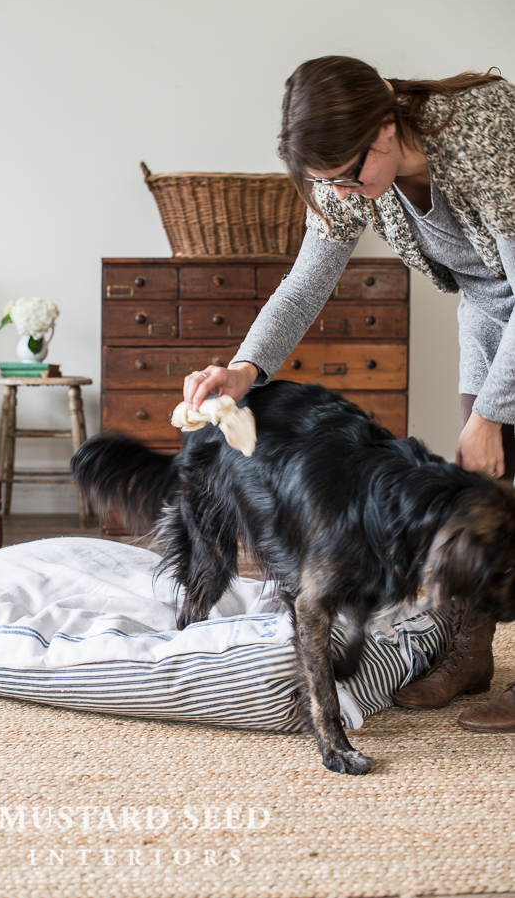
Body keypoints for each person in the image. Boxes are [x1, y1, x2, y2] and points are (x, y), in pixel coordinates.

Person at [183, 55, 515, 733]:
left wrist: (491, 413)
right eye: (326, 183)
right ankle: (469, 654)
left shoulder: (483, 133)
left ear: (387, 129)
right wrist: (243, 370)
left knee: (497, 445)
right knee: (480, 486)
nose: (343, 194)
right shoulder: (350, 177)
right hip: (490, 308)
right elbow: (305, 285)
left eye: (347, 176)